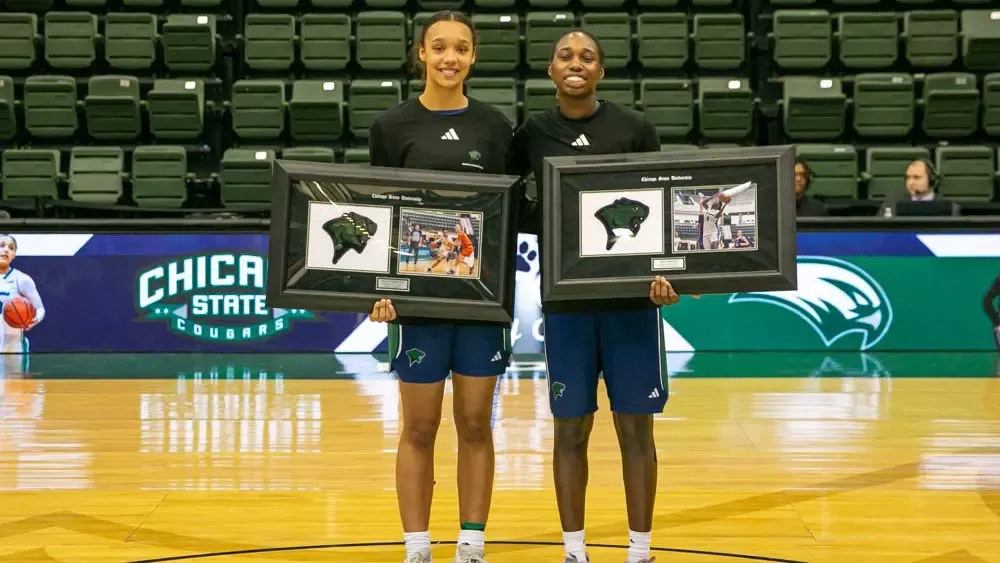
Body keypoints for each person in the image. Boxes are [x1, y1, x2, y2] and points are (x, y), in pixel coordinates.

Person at [511, 30, 689, 563]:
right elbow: (507, 204)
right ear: (550, 69)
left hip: (631, 303)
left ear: (601, 71)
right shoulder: (532, 133)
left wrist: (667, 276)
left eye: (587, 57)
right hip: (566, 304)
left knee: (636, 428)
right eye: (565, 56)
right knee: (571, 428)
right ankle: (574, 551)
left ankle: (640, 550)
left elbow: (662, 207)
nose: (576, 63)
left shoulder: (634, 128)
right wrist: (555, 220)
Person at [365, 11, 519, 563]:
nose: (449, 58)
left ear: (473, 56)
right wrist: (378, 289)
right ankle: (416, 546)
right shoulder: (391, 127)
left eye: (460, 48)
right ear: (421, 54)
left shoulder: (496, 127)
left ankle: (471, 543)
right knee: (420, 425)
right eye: (439, 47)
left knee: (476, 423)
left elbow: (508, 212)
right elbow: (381, 213)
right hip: (418, 302)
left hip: (481, 301)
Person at [0, 235, 45, 375]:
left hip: (12, 350)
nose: (6, 250)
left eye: (11, 248)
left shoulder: (21, 279)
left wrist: (35, 319)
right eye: (1, 245)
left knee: (14, 389)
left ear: (14, 255)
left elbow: (40, 309)